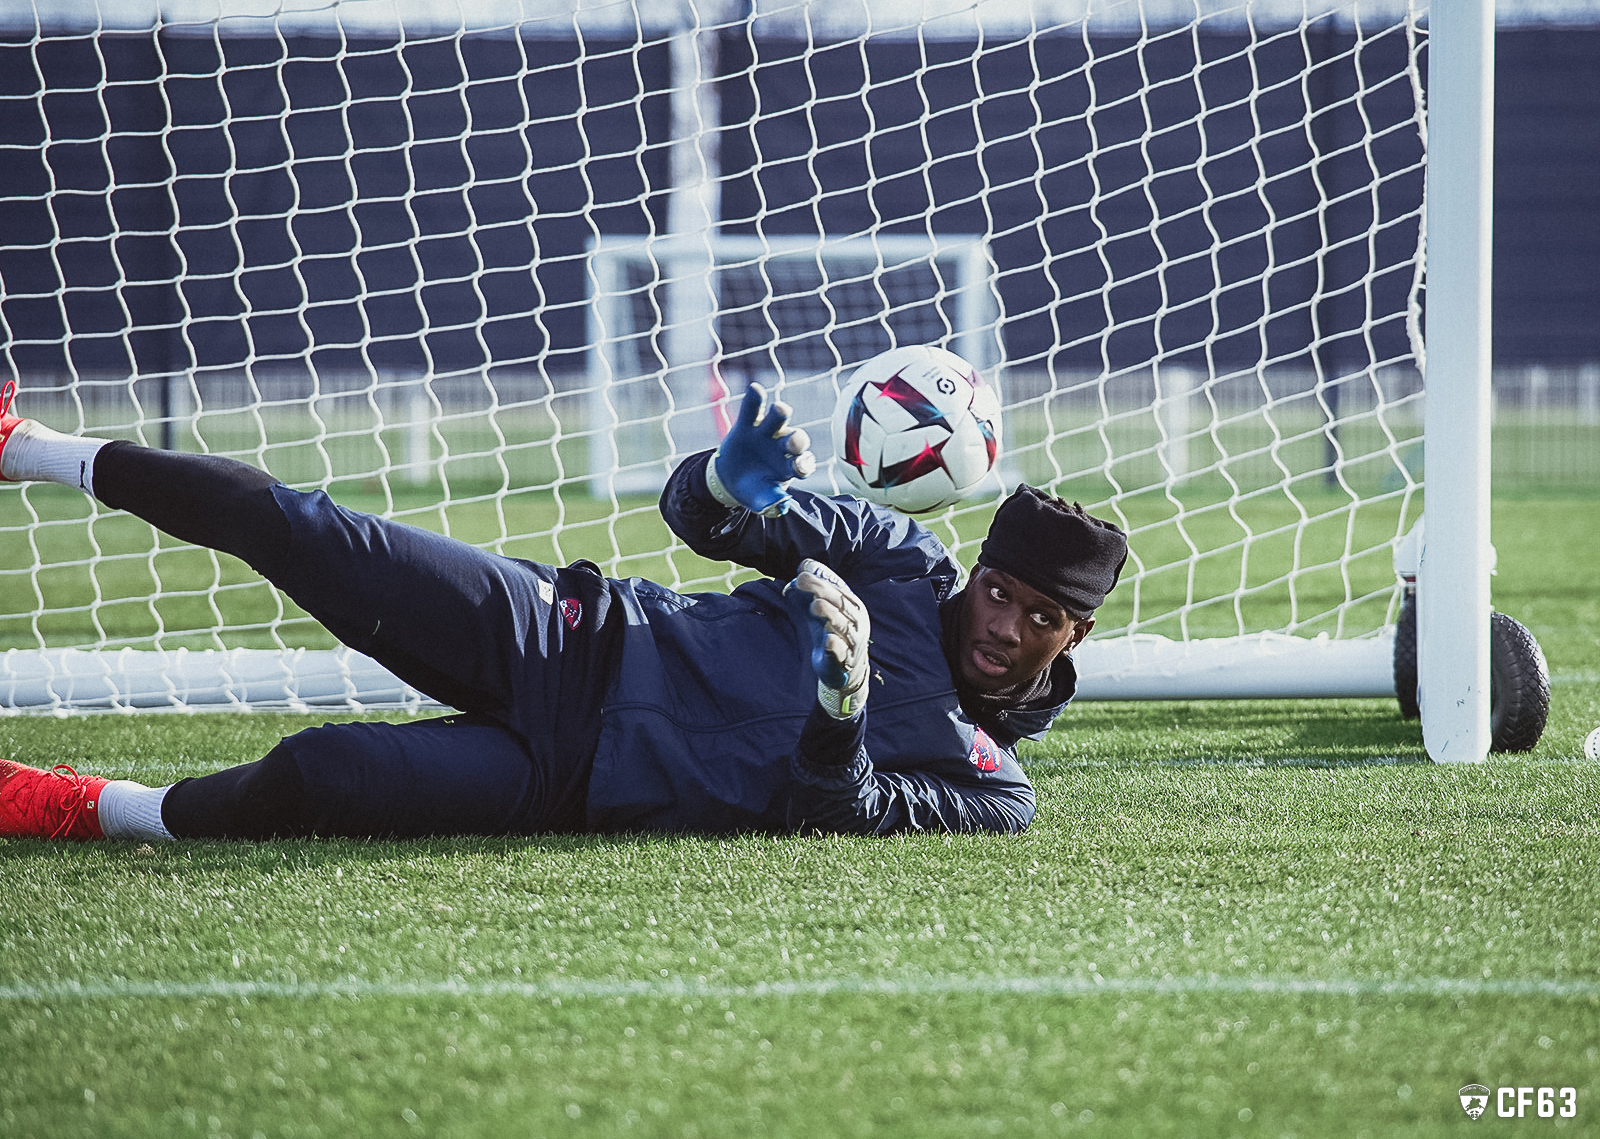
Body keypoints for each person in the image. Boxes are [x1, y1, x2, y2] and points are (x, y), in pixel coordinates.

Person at [0, 376, 1127, 841]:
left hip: (577, 783)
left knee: (320, 777)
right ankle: (29, 444)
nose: (1002, 624)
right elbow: (719, 524)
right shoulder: (899, 558)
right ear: (977, 570)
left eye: (1039, 619)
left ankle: (83, 805)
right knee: (306, 529)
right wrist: (724, 484)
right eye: (1000, 591)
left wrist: (841, 709)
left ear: (1072, 638)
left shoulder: (998, 787)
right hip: (577, 639)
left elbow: (846, 812)